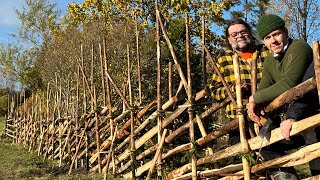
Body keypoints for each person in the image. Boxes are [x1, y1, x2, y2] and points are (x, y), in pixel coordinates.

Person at [246, 14, 314, 179]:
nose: (273, 41)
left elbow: (288, 84)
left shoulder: (299, 47)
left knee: (316, 156)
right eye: (267, 37)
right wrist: (256, 104)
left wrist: (254, 99)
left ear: (285, 31)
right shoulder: (270, 60)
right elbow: (264, 88)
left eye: (276, 34)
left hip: (312, 111)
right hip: (293, 116)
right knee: (266, 145)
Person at [208, 18, 270, 146]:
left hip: (267, 112)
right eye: (234, 34)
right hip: (238, 119)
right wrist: (233, 89)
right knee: (241, 156)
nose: (239, 36)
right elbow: (214, 91)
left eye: (243, 32)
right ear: (229, 39)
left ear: (250, 34)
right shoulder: (223, 58)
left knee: (271, 151)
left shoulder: (265, 52)